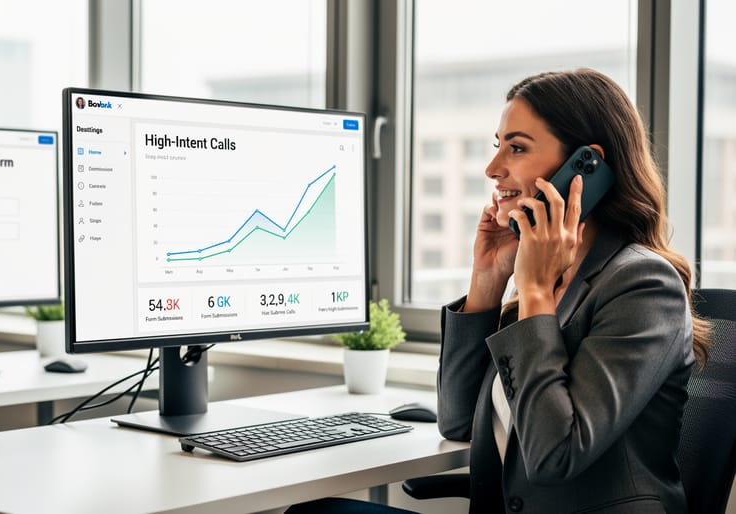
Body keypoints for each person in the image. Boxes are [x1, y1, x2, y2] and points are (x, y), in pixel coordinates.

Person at [287, 68, 711, 513]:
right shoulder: (548, 281)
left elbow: (555, 455)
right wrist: (487, 282)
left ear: (586, 165)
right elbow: (457, 421)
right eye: (498, 145)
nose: (492, 169)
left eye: (517, 147)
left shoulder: (643, 285)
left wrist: (534, 290)